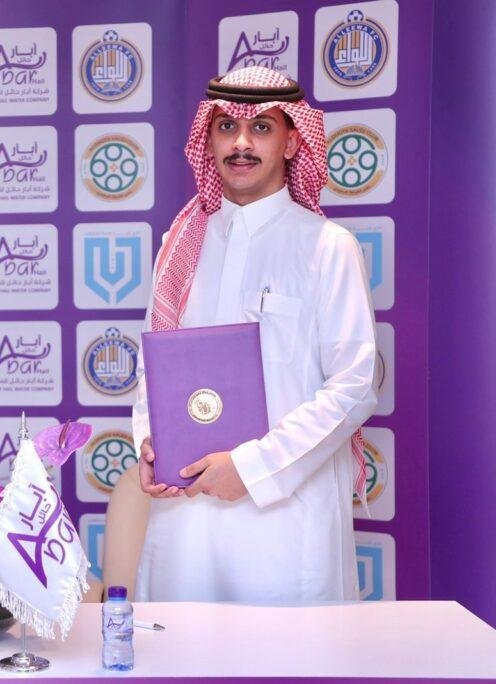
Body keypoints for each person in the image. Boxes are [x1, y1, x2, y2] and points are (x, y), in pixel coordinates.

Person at [131, 67, 378, 601]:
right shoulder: (181, 244)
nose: (241, 144)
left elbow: (354, 387)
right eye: (227, 127)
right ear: (208, 139)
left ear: (292, 142)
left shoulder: (327, 246)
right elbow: (155, 367)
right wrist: (150, 443)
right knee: (180, 644)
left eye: (261, 128)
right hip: (186, 517)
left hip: (284, 525)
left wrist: (251, 468)